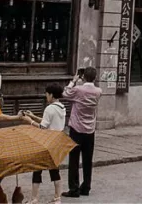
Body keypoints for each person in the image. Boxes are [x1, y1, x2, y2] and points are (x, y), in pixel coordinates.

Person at [63, 66, 102, 198]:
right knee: (87, 159)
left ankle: (74, 188)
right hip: (90, 130)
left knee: (74, 159)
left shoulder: (78, 90)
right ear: (95, 78)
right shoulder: (98, 91)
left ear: (83, 77)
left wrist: (74, 80)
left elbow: (65, 94)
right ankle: (86, 186)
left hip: (76, 128)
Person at [23, 84, 66, 204]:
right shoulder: (62, 107)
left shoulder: (49, 108)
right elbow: (47, 121)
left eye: (47, 94)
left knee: (37, 169)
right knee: (54, 170)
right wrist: (33, 116)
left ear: (51, 95)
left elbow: (43, 126)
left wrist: (29, 121)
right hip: (56, 141)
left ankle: (34, 198)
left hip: (46, 142)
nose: (46, 96)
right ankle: (57, 198)